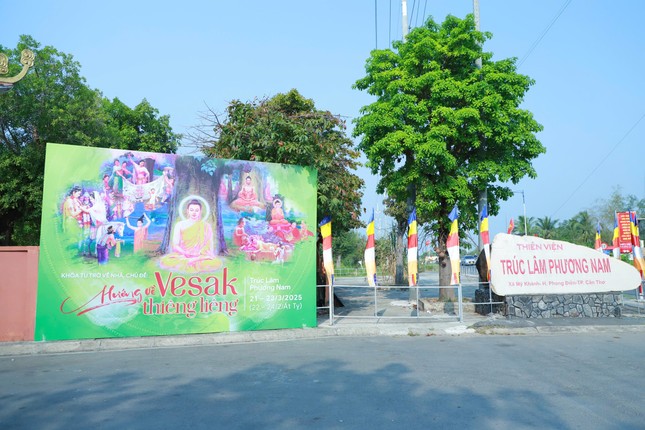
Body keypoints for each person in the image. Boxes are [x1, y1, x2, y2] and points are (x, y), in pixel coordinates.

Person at [160, 199, 221, 273]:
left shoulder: (206, 226)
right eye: (191, 210)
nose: (194, 213)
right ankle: (191, 261)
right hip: (183, 255)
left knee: (214, 262)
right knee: (167, 261)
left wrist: (202, 254)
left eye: (197, 210)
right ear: (187, 211)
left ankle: (192, 261)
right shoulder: (179, 225)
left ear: (200, 212)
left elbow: (209, 245)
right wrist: (186, 253)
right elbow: (175, 245)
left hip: (200, 255)